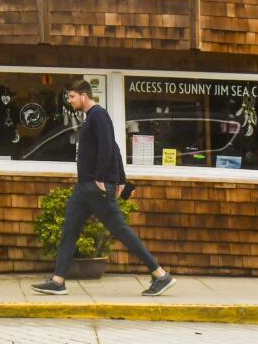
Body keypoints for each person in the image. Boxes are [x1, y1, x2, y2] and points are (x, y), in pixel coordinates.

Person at [31, 79, 176, 297]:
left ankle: (160, 274)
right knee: (69, 230)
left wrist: (106, 178)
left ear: (84, 95)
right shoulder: (91, 118)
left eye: (71, 97)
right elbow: (115, 148)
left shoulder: (99, 115)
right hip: (85, 189)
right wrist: (120, 179)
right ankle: (58, 281)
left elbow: (110, 147)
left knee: (121, 231)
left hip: (95, 187)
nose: (70, 101)